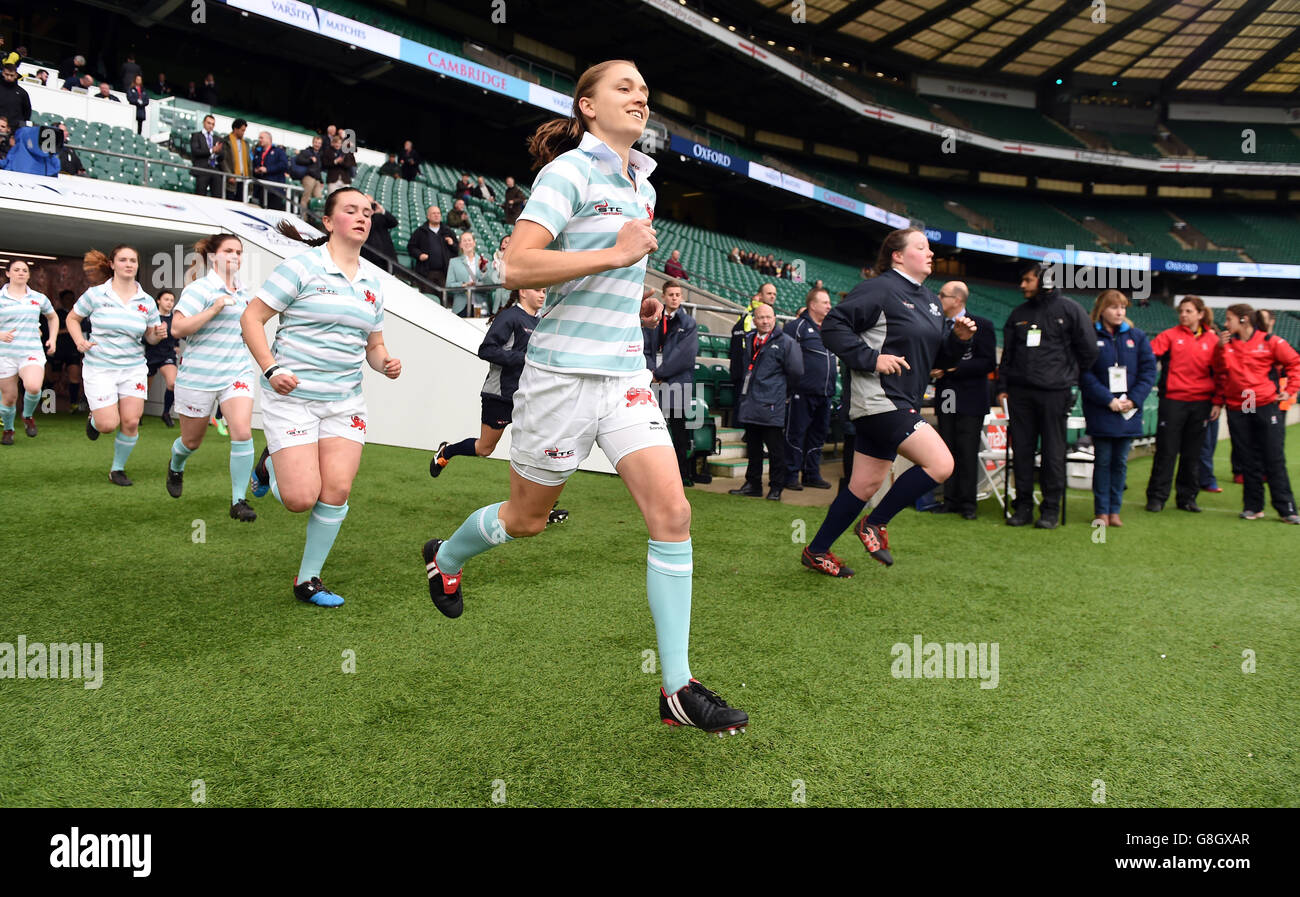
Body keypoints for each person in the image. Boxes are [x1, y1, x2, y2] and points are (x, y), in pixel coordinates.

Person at [419, 59, 748, 736]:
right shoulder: (567, 172)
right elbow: (515, 264)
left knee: (674, 512)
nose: (641, 94)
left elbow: (617, 269)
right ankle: (446, 558)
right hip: (561, 377)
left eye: (644, 88)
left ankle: (675, 687)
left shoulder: (644, 185)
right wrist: (614, 255)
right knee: (527, 519)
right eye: (624, 86)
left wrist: (634, 285)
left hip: (624, 377)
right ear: (588, 107)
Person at [241, 188, 401, 604]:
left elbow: (374, 346)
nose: (362, 217)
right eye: (351, 211)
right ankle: (268, 466)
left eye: (367, 212)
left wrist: (384, 363)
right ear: (329, 222)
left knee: (337, 491)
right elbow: (252, 318)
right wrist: (271, 368)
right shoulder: (300, 268)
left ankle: (307, 580)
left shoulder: (373, 284)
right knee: (299, 499)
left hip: (345, 403)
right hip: (291, 397)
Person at [803, 228, 977, 576]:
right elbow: (833, 326)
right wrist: (872, 359)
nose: (931, 253)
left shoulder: (929, 299)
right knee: (942, 463)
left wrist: (958, 340)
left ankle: (817, 550)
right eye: (921, 247)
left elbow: (938, 356)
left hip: (900, 401)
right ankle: (874, 523)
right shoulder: (879, 288)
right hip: (878, 400)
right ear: (898, 255)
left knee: (864, 485)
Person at [428, 286, 568, 535]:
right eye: (538, 289)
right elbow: (487, 350)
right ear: (523, 291)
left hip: (530, 397)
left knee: (538, 447)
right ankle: (447, 451)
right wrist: (523, 359)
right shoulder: (510, 317)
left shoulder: (540, 322)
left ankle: (538, 509)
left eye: (545, 290)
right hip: (501, 395)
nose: (543, 294)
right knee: (485, 448)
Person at [995, 262, 1098, 528]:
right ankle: (1024, 507)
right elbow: (1008, 355)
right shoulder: (1018, 313)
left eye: (1028, 280)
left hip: (1055, 393)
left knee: (1053, 452)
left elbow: (1088, 350)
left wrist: (1067, 376)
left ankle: (1051, 510)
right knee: (1022, 452)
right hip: (1020, 394)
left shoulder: (1070, 309)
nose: (1022, 285)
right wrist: (1002, 388)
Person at [167, 235, 259, 522]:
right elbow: (177, 329)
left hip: (237, 372)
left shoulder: (245, 292)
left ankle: (238, 501)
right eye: (228, 251)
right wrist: (214, 308)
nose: (235, 256)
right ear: (213, 256)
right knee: (191, 441)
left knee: (242, 432)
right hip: (199, 375)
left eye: (239, 252)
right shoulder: (200, 289)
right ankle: (176, 464)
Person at [66, 246, 167, 486]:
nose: (129, 264)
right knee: (108, 425)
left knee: (131, 421)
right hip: (100, 367)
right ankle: (95, 420)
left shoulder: (147, 302)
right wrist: (80, 340)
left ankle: (117, 469)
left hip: (133, 368)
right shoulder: (96, 294)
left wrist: (158, 335)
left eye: (133, 260)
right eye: (123, 260)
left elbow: (150, 338)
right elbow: (72, 318)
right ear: (112, 264)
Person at [1214, 303, 1300, 523]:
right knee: (1247, 457)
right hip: (1241, 404)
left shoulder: (1270, 342)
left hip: (1263, 402)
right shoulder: (1227, 344)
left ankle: (1286, 508)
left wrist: (1289, 391)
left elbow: (1295, 362)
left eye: (1229, 319)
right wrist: (1220, 349)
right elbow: (1220, 371)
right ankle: (1253, 507)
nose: (1225, 324)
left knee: (1273, 456)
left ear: (1243, 320)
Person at [1080, 290, 1156, 527]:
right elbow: (1085, 372)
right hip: (1102, 410)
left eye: (1123, 307)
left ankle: (1115, 510)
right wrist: (1107, 399)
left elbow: (1148, 372)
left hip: (1128, 411)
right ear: (1102, 309)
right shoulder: (1090, 336)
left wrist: (1133, 400)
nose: (1119, 312)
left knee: (1120, 462)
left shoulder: (1138, 336)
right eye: (1114, 307)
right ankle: (1101, 510)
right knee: (1103, 460)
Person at [1145, 295, 1219, 512]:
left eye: (1188, 311)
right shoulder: (1168, 336)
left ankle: (1187, 498)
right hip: (1173, 401)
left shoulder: (1213, 341)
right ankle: (1157, 497)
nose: (1183, 315)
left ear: (1200, 314)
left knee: (1192, 453)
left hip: (1201, 403)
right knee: (1166, 451)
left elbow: (1220, 373)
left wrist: (1217, 401)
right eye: (1181, 311)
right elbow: (1148, 357)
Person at [929, 281, 996, 519]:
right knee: (946, 449)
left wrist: (951, 369)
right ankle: (949, 500)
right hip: (946, 397)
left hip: (970, 399)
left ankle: (968, 504)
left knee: (967, 452)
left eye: (943, 295)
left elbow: (988, 363)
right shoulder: (937, 325)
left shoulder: (983, 326)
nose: (939, 298)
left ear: (957, 300)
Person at [727, 302, 802, 500]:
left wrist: (782, 395)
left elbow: (796, 372)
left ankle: (776, 487)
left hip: (772, 405)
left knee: (776, 450)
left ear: (775, 319)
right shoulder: (749, 338)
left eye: (768, 317)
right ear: (754, 320)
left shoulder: (786, 342)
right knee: (753, 447)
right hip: (750, 403)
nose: (765, 321)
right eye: (761, 317)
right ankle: (753, 484)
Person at [644, 280, 699, 486]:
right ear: (664, 296)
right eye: (671, 294)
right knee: (653, 427)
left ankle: (682, 474)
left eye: (678, 294)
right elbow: (646, 347)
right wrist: (651, 371)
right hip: (654, 380)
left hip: (677, 382)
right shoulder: (654, 320)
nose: (674, 297)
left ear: (681, 297)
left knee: (679, 431)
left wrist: (659, 372)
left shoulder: (689, 323)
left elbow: (684, 356)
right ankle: (653, 474)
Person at [782, 286, 837, 491]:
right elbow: (785, 359)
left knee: (818, 435)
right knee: (795, 433)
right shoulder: (796, 327)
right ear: (813, 305)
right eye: (825, 302)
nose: (829, 306)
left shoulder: (829, 330)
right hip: (801, 393)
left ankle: (811, 474)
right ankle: (790, 475)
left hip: (825, 393)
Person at [0, 260, 58, 444]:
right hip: (5, 354)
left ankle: (27, 416)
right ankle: (8, 430)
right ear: (8, 274)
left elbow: (52, 317)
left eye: (24, 270)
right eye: (16, 270)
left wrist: (53, 338)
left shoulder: (38, 298)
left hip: (31, 351)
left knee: (33, 386)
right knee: (9, 399)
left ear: (29, 275)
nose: (21, 273)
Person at [144, 289, 180, 427]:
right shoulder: (151, 317)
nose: (170, 303)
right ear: (158, 300)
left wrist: (176, 344)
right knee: (144, 388)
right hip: (151, 355)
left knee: (172, 383)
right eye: (166, 299)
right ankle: (138, 414)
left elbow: (179, 333)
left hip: (167, 355)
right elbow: (144, 336)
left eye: (172, 300)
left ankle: (166, 413)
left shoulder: (175, 319)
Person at [46, 290, 86, 410]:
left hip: (73, 349)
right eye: (67, 298)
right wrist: (67, 330)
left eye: (71, 298)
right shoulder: (56, 314)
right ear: (62, 300)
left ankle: (73, 404)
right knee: (53, 377)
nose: (69, 301)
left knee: (74, 374)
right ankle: (47, 405)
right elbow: (51, 332)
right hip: (58, 349)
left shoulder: (79, 315)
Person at [406, 205, 456, 290]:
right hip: (426, 273)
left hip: (444, 273)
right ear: (428, 216)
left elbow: (457, 249)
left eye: (438, 213)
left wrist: (452, 244)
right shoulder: (420, 231)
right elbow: (411, 247)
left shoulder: (448, 231)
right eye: (433, 213)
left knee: (443, 300)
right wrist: (419, 255)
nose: (436, 215)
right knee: (428, 298)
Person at [446, 231, 489, 317]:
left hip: (480, 305)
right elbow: (449, 285)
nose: (467, 243)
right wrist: (463, 285)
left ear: (474, 243)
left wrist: (482, 273)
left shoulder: (484, 261)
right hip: (460, 306)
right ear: (460, 245)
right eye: (464, 241)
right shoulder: (454, 262)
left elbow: (489, 284)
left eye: (469, 240)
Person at [251, 131, 289, 211]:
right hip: (261, 188)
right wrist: (256, 170)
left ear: (269, 139)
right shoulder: (258, 152)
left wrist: (267, 169)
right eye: (259, 138)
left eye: (261, 138)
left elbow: (283, 165)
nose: (259, 140)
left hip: (275, 189)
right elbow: (254, 165)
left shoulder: (278, 151)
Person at [361, 195, 398, 268]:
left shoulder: (380, 216)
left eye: (372, 203)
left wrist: (382, 211)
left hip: (385, 256)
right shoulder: (360, 217)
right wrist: (368, 215)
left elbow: (394, 223)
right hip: (369, 256)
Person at [190, 114, 223, 197]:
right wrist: (212, 150)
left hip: (215, 169)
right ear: (204, 123)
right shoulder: (196, 136)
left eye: (213, 124)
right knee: (200, 195)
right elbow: (196, 151)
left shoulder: (218, 138)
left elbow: (222, 156)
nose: (211, 126)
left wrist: (218, 152)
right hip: (202, 169)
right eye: (209, 123)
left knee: (217, 196)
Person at [291, 135, 324, 218]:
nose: (317, 144)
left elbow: (318, 169)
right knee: (305, 198)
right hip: (308, 177)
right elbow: (299, 160)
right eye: (316, 142)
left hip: (317, 179)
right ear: (313, 143)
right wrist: (310, 160)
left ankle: (314, 219)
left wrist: (321, 180)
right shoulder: (306, 151)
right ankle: (303, 218)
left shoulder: (319, 155)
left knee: (318, 199)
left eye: (319, 143)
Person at [220, 119, 251, 201]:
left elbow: (248, 162)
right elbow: (223, 160)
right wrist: (230, 175)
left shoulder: (245, 144)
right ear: (235, 129)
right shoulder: (226, 141)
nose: (243, 133)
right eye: (242, 130)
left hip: (243, 179)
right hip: (231, 180)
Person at [0, 64, 31, 131]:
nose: (9, 77)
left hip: (14, 129)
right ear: (2, 73)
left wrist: (21, 129)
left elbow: (27, 114)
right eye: (6, 74)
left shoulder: (22, 93)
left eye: (11, 75)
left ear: (16, 75)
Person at [489, 234, 511, 315]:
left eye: (509, 243)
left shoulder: (516, 263)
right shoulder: (493, 263)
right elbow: (493, 281)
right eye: (504, 242)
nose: (505, 245)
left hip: (510, 304)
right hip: (496, 305)